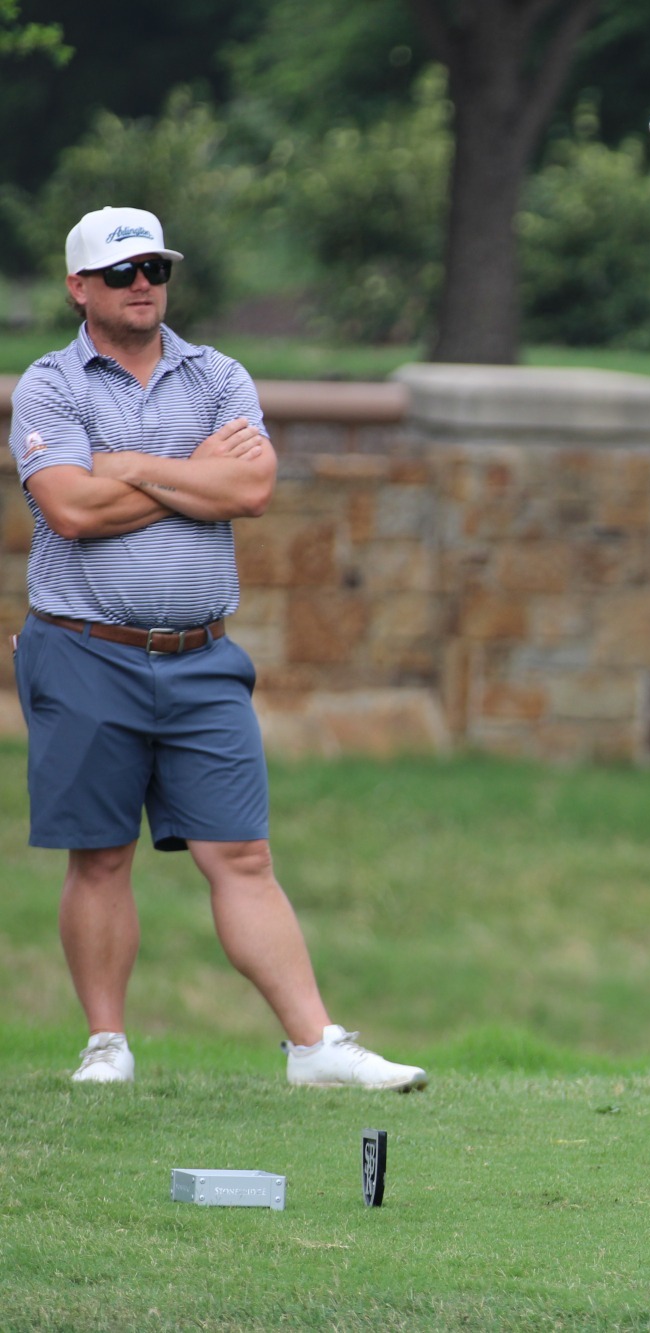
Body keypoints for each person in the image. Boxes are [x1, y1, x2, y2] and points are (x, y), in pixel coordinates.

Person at [8, 207, 427, 1091]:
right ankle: (107, 1044)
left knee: (241, 854)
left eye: (155, 268)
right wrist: (194, 476)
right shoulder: (50, 385)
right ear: (80, 287)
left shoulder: (218, 374)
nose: (143, 285)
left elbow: (255, 485)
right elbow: (71, 511)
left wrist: (128, 465)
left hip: (202, 656)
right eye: (122, 274)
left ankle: (315, 1046)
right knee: (101, 853)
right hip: (85, 648)